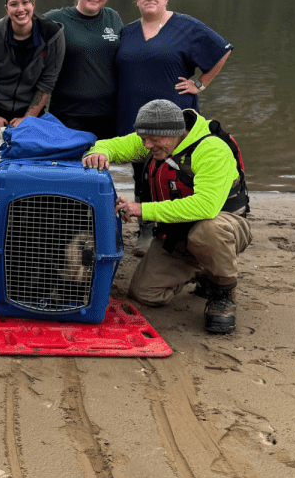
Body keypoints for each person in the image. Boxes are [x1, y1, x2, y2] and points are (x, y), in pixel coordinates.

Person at [83, 100, 251, 334]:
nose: (147, 145)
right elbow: (112, 145)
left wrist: (142, 209)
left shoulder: (211, 149)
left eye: (153, 140)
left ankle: (222, 293)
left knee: (208, 230)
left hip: (223, 225)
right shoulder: (156, 140)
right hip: (178, 232)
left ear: (175, 132)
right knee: (144, 293)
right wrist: (98, 152)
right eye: (143, 138)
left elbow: (206, 207)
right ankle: (201, 268)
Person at [116, 0, 233, 257]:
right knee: (141, 171)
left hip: (174, 115)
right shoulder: (128, 32)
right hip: (133, 110)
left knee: (178, 170)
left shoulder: (187, 26)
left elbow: (222, 51)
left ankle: (176, 226)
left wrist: (200, 84)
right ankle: (146, 226)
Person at [0, 0, 65, 158]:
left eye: (25, 2)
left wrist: (28, 120)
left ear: (33, 4)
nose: (20, 9)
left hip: (30, 109)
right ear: (7, 9)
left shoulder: (53, 36)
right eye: (14, 4)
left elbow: (47, 83)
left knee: (27, 168)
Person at [43, 0, 124, 140]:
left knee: (105, 164)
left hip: (108, 115)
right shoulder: (56, 19)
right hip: (68, 115)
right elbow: (23, 37)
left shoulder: (113, 18)